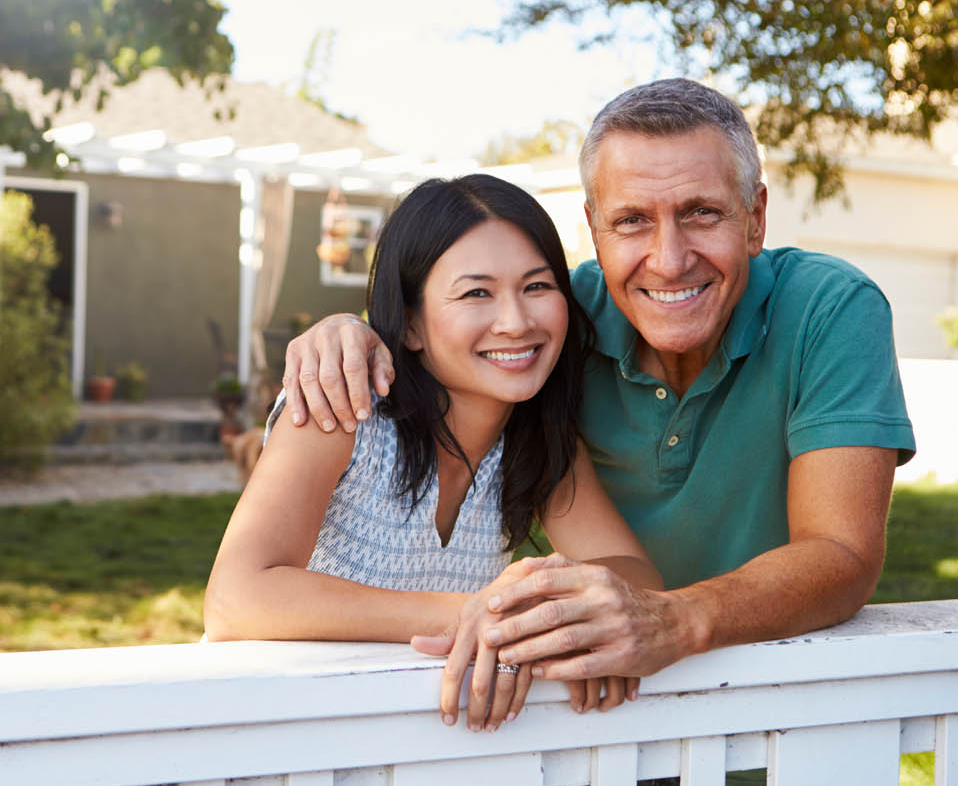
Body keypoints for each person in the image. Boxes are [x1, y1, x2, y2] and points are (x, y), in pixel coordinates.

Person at [279, 78, 917, 786]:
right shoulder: (554, 323)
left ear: (755, 217)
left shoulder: (829, 309)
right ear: (594, 228)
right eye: (633, 220)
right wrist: (348, 331)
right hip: (600, 732)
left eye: (702, 213)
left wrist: (669, 621)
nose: (669, 257)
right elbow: (449, 320)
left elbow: (840, 554)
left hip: (779, 749)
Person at [203, 173, 663, 737]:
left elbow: (640, 581)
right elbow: (236, 597)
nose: (516, 322)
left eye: (538, 287)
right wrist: (485, 615)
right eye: (476, 293)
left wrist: (532, 603)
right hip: (280, 740)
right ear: (413, 323)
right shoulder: (344, 410)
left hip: (425, 753)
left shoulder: (540, 443)